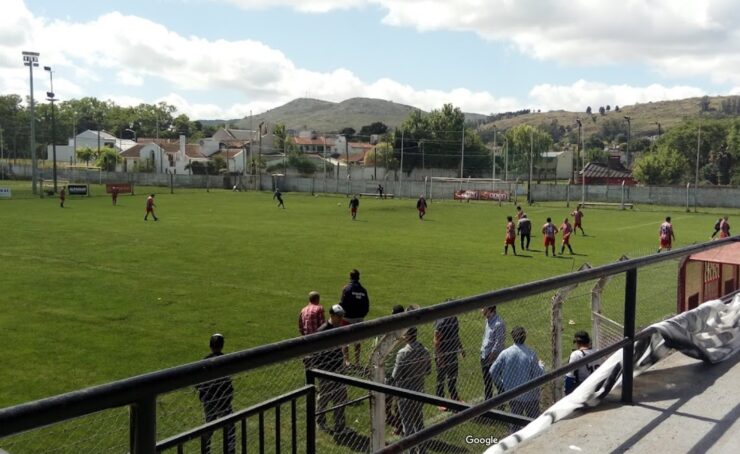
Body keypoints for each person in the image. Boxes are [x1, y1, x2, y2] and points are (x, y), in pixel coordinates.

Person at [490, 326, 544, 433]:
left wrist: (502, 384)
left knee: (514, 424)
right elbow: (538, 374)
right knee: (533, 424)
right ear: (525, 337)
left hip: (513, 394)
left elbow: (492, 371)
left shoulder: (505, 353)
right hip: (530, 395)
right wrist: (541, 365)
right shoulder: (531, 354)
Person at [391, 327, 432, 453]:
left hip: (405, 394)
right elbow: (428, 371)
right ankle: (422, 450)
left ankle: (411, 451)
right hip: (419, 391)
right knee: (419, 422)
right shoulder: (425, 351)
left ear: (407, 336)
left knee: (407, 424)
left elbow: (395, 375)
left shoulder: (402, 353)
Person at [195, 334, 236, 454]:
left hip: (209, 399)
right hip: (223, 400)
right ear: (222, 345)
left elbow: (198, 381)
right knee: (229, 427)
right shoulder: (226, 359)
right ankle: (230, 450)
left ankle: (206, 450)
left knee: (209, 426)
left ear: (210, 345)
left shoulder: (205, 361)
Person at [314, 305, 350, 435]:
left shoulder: (337, 329)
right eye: (339, 316)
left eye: (342, 316)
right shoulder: (323, 331)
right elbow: (316, 354)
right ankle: (320, 421)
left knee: (340, 397)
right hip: (326, 370)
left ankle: (340, 426)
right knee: (324, 397)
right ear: (332, 315)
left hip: (338, 368)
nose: (341, 318)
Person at [370, 304, 406, 435]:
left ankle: (396, 423)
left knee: (388, 397)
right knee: (398, 399)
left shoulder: (385, 328)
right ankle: (396, 422)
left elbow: (375, 348)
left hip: (387, 369)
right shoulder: (405, 329)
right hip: (398, 369)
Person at [434, 312, 465, 409]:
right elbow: (436, 341)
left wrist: (461, 348)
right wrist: (440, 357)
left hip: (452, 352)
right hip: (443, 353)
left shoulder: (454, 319)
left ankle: (454, 397)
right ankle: (440, 400)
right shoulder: (441, 322)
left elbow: (456, 334)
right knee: (441, 378)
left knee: (453, 376)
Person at [339, 269, 370, 365]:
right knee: (357, 341)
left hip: (347, 318)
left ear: (350, 277)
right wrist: (362, 315)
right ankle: (357, 361)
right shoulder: (363, 290)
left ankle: (347, 361)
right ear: (358, 277)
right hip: (359, 318)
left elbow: (342, 303)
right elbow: (367, 305)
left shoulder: (346, 289)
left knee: (345, 340)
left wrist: (343, 314)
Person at [480, 306, 506, 401]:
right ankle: (488, 402)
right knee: (487, 382)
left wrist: (491, 355)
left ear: (490, 310)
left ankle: (501, 402)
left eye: (483, 308)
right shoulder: (487, 321)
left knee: (497, 381)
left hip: (493, 358)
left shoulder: (498, 324)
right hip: (484, 355)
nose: (481, 310)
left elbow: (499, 342)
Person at [564, 331, 598, 395]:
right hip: (596, 387)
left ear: (577, 343)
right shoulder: (597, 351)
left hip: (582, 390)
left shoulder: (576, 354)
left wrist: (567, 394)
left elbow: (569, 377)